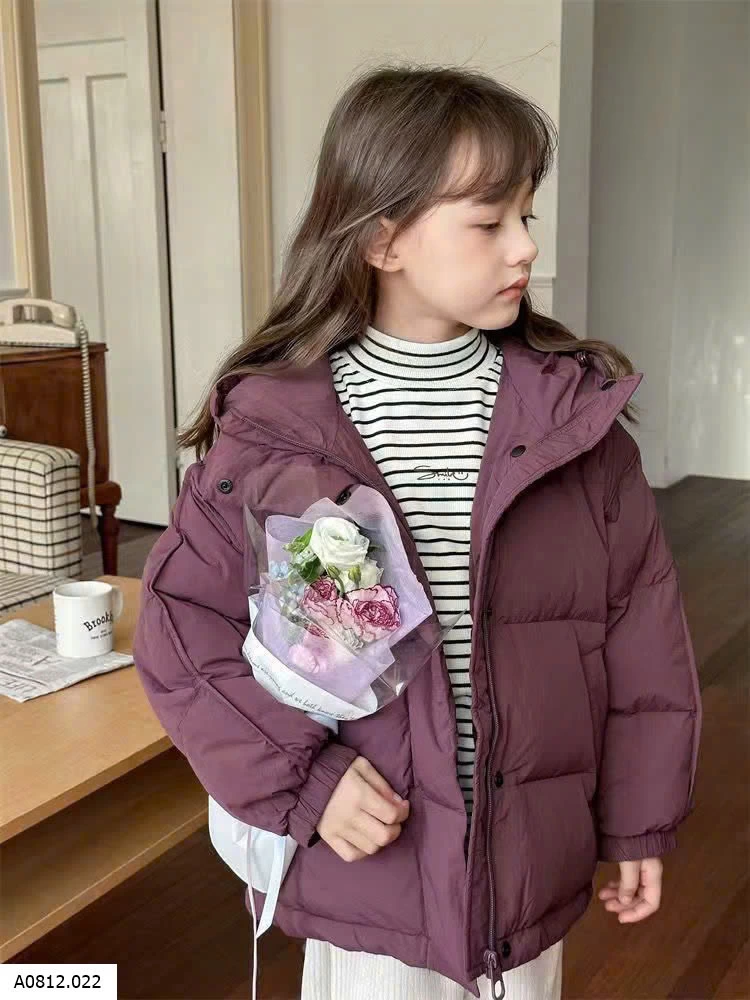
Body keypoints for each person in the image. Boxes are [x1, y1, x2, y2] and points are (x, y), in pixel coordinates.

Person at [133, 65, 702, 1000]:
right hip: (372, 862)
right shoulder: (274, 430)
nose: (526, 246)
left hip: (527, 858)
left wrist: (639, 818)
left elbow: (644, 639)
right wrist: (306, 783)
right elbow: (182, 635)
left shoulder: (577, 423)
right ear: (381, 239)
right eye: (488, 222)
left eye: (526, 215)